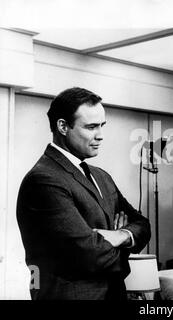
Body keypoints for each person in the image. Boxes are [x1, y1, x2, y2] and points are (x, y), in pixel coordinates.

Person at [16, 87, 151, 300]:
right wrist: (125, 250)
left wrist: (119, 235)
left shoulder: (101, 176)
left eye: (102, 126)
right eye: (91, 127)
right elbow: (88, 255)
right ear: (63, 126)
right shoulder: (43, 179)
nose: (101, 136)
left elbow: (143, 225)